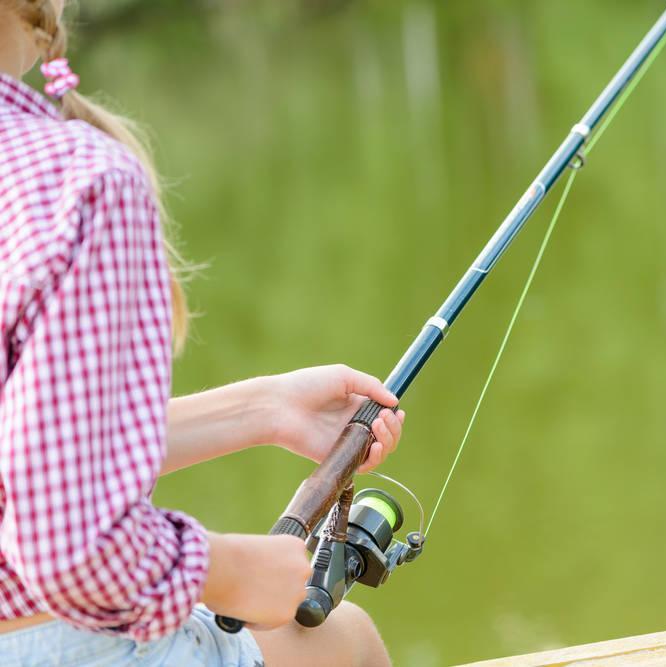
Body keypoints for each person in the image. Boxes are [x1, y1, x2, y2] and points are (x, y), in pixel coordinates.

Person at [0, 2, 404, 665]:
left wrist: (263, 410)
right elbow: (64, 540)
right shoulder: (79, 181)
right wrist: (233, 568)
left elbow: (35, 454)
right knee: (347, 640)